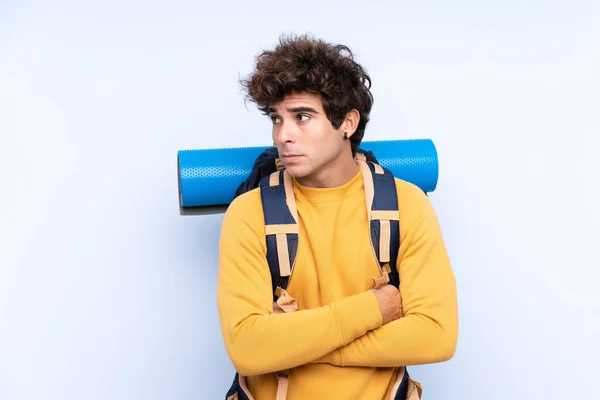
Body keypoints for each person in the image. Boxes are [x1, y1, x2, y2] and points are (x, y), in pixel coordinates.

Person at [216, 34, 458, 400]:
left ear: (347, 122)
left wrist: (296, 345)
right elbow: (248, 350)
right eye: (276, 119)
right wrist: (375, 308)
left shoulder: (406, 206)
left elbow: (436, 335)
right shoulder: (250, 212)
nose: (284, 135)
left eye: (302, 117)